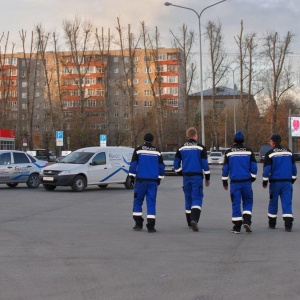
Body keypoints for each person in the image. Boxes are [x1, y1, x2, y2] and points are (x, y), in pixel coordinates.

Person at [174, 127, 210, 232]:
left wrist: (181, 172)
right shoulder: (201, 148)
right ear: (195, 135)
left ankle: (189, 222)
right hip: (197, 177)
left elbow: (176, 164)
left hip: (186, 177)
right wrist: (207, 178)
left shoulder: (181, 148)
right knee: (197, 197)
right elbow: (205, 164)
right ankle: (194, 219)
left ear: (187, 135)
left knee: (188, 199)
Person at [222, 130, 258, 234]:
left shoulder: (229, 153)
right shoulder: (249, 151)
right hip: (246, 182)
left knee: (235, 203)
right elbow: (254, 167)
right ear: (243, 141)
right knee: (248, 201)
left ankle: (237, 227)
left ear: (234, 141)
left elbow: (225, 169)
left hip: (235, 183)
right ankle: (247, 221)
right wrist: (253, 177)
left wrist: (224, 181)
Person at [129, 133, 165, 233]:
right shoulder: (157, 152)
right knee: (151, 203)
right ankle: (151, 226)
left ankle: (138, 224)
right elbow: (161, 167)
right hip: (152, 182)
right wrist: (159, 178)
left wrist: (131, 177)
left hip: (141, 181)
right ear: (153, 140)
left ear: (144, 140)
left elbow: (133, 165)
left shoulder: (138, 150)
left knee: (137, 201)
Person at [262, 134, 297, 232]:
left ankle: (272, 223)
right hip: (287, 182)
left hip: (275, 183)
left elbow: (267, 170)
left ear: (273, 142)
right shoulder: (289, 153)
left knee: (273, 202)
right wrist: (293, 179)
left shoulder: (270, 153)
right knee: (287, 202)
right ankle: (288, 225)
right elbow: (294, 168)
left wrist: (265, 181)